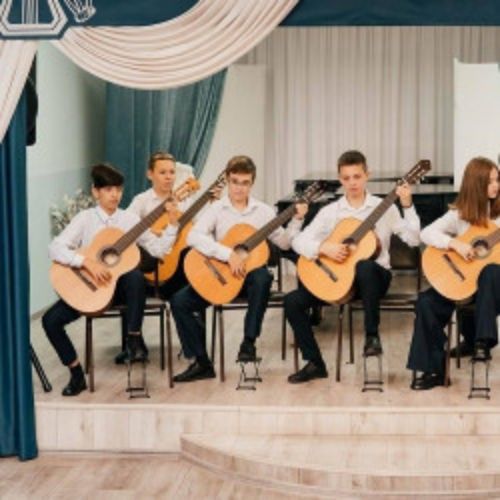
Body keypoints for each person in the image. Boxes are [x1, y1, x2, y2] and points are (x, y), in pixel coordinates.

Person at [42, 163, 178, 396]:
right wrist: (86, 262)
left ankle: (133, 339)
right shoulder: (85, 219)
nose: (115, 194)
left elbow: (157, 250)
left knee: (134, 276)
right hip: (91, 290)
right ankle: (76, 374)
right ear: (96, 192)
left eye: (118, 189)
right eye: (108, 189)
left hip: (121, 291)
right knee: (50, 321)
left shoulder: (130, 220)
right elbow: (55, 247)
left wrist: (173, 225)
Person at [285, 150, 420, 383]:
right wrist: (324, 248)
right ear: (340, 179)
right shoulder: (331, 212)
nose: (352, 183)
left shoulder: (384, 207)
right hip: (340, 280)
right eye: (346, 178)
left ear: (367, 175)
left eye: (357, 176)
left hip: (376, 278)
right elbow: (298, 241)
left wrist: (407, 205)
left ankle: (371, 337)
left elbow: (414, 240)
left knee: (365, 266)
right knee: (292, 301)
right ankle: (315, 363)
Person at [170, 155, 307, 382]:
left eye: (245, 183)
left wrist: (297, 220)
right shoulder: (217, 209)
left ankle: (248, 343)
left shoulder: (263, 211)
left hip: (250, 282)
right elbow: (193, 236)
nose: (239, 188)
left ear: (252, 183)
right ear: (227, 179)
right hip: (222, 277)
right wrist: (227, 255)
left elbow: (284, 244)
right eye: (234, 182)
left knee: (263, 277)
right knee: (179, 301)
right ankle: (202, 363)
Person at [407, 157, 500, 390]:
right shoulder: (460, 214)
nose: (496, 186)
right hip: (464, 282)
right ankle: (435, 371)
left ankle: (481, 343)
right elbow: (427, 234)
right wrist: (455, 244)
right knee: (426, 302)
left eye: (497, 180)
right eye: (490, 181)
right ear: (475, 184)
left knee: (490, 271)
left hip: (494, 288)